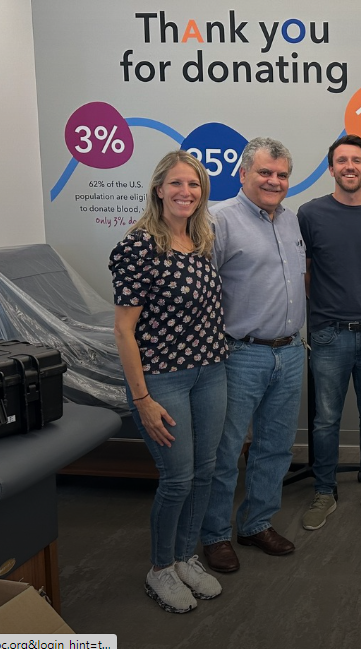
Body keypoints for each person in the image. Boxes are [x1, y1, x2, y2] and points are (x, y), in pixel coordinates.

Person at [110, 151, 228, 613]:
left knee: (205, 471)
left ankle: (185, 558)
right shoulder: (139, 245)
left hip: (211, 371)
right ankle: (160, 568)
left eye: (194, 185)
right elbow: (123, 330)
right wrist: (141, 398)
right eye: (177, 183)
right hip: (164, 379)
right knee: (177, 478)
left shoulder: (200, 240)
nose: (186, 192)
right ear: (158, 188)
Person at [199, 137, 304, 573]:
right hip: (240, 354)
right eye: (265, 172)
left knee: (275, 448)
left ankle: (256, 522)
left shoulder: (292, 222)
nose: (274, 181)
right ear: (243, 174)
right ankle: (215, 535)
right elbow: (201, 294)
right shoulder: (219, 221)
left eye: (281, 174)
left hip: (291, 352)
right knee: (225, 453)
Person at [297, 134, 361, 530]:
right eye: (341, 160)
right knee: (325, 421)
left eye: (356, 160)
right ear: (331, 168)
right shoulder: (309, 213)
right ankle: (324, 491)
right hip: (328, 334)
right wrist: (332, 306)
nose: (349, 166)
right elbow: (305, 271)